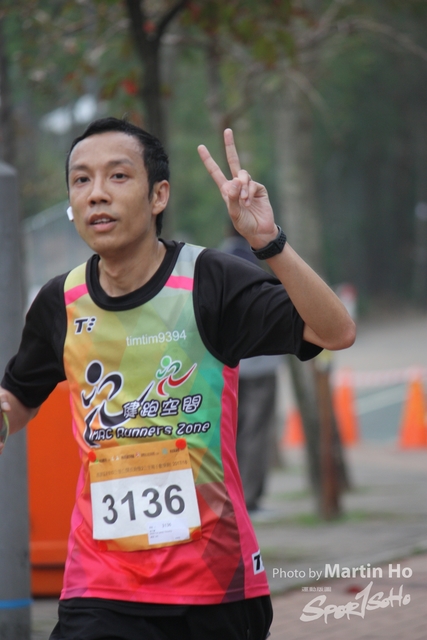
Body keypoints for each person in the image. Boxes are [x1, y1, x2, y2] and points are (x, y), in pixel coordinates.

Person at [0, 117, 355, 640]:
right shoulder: (61, 302)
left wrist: (269, 242)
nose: (96, 193)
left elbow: (335, 331)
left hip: (213, 583)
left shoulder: (208, 281)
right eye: (81, 180)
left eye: (118, 176)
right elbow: (19, 396)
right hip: (101, 585)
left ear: (158, 195)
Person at [219, 227, 282, 515]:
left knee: (231, 432)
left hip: (229, 364)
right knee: (256, 432)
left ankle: (231, 498)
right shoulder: (266, 258)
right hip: (260, 364)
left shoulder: (215, 260)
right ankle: (250, 501)